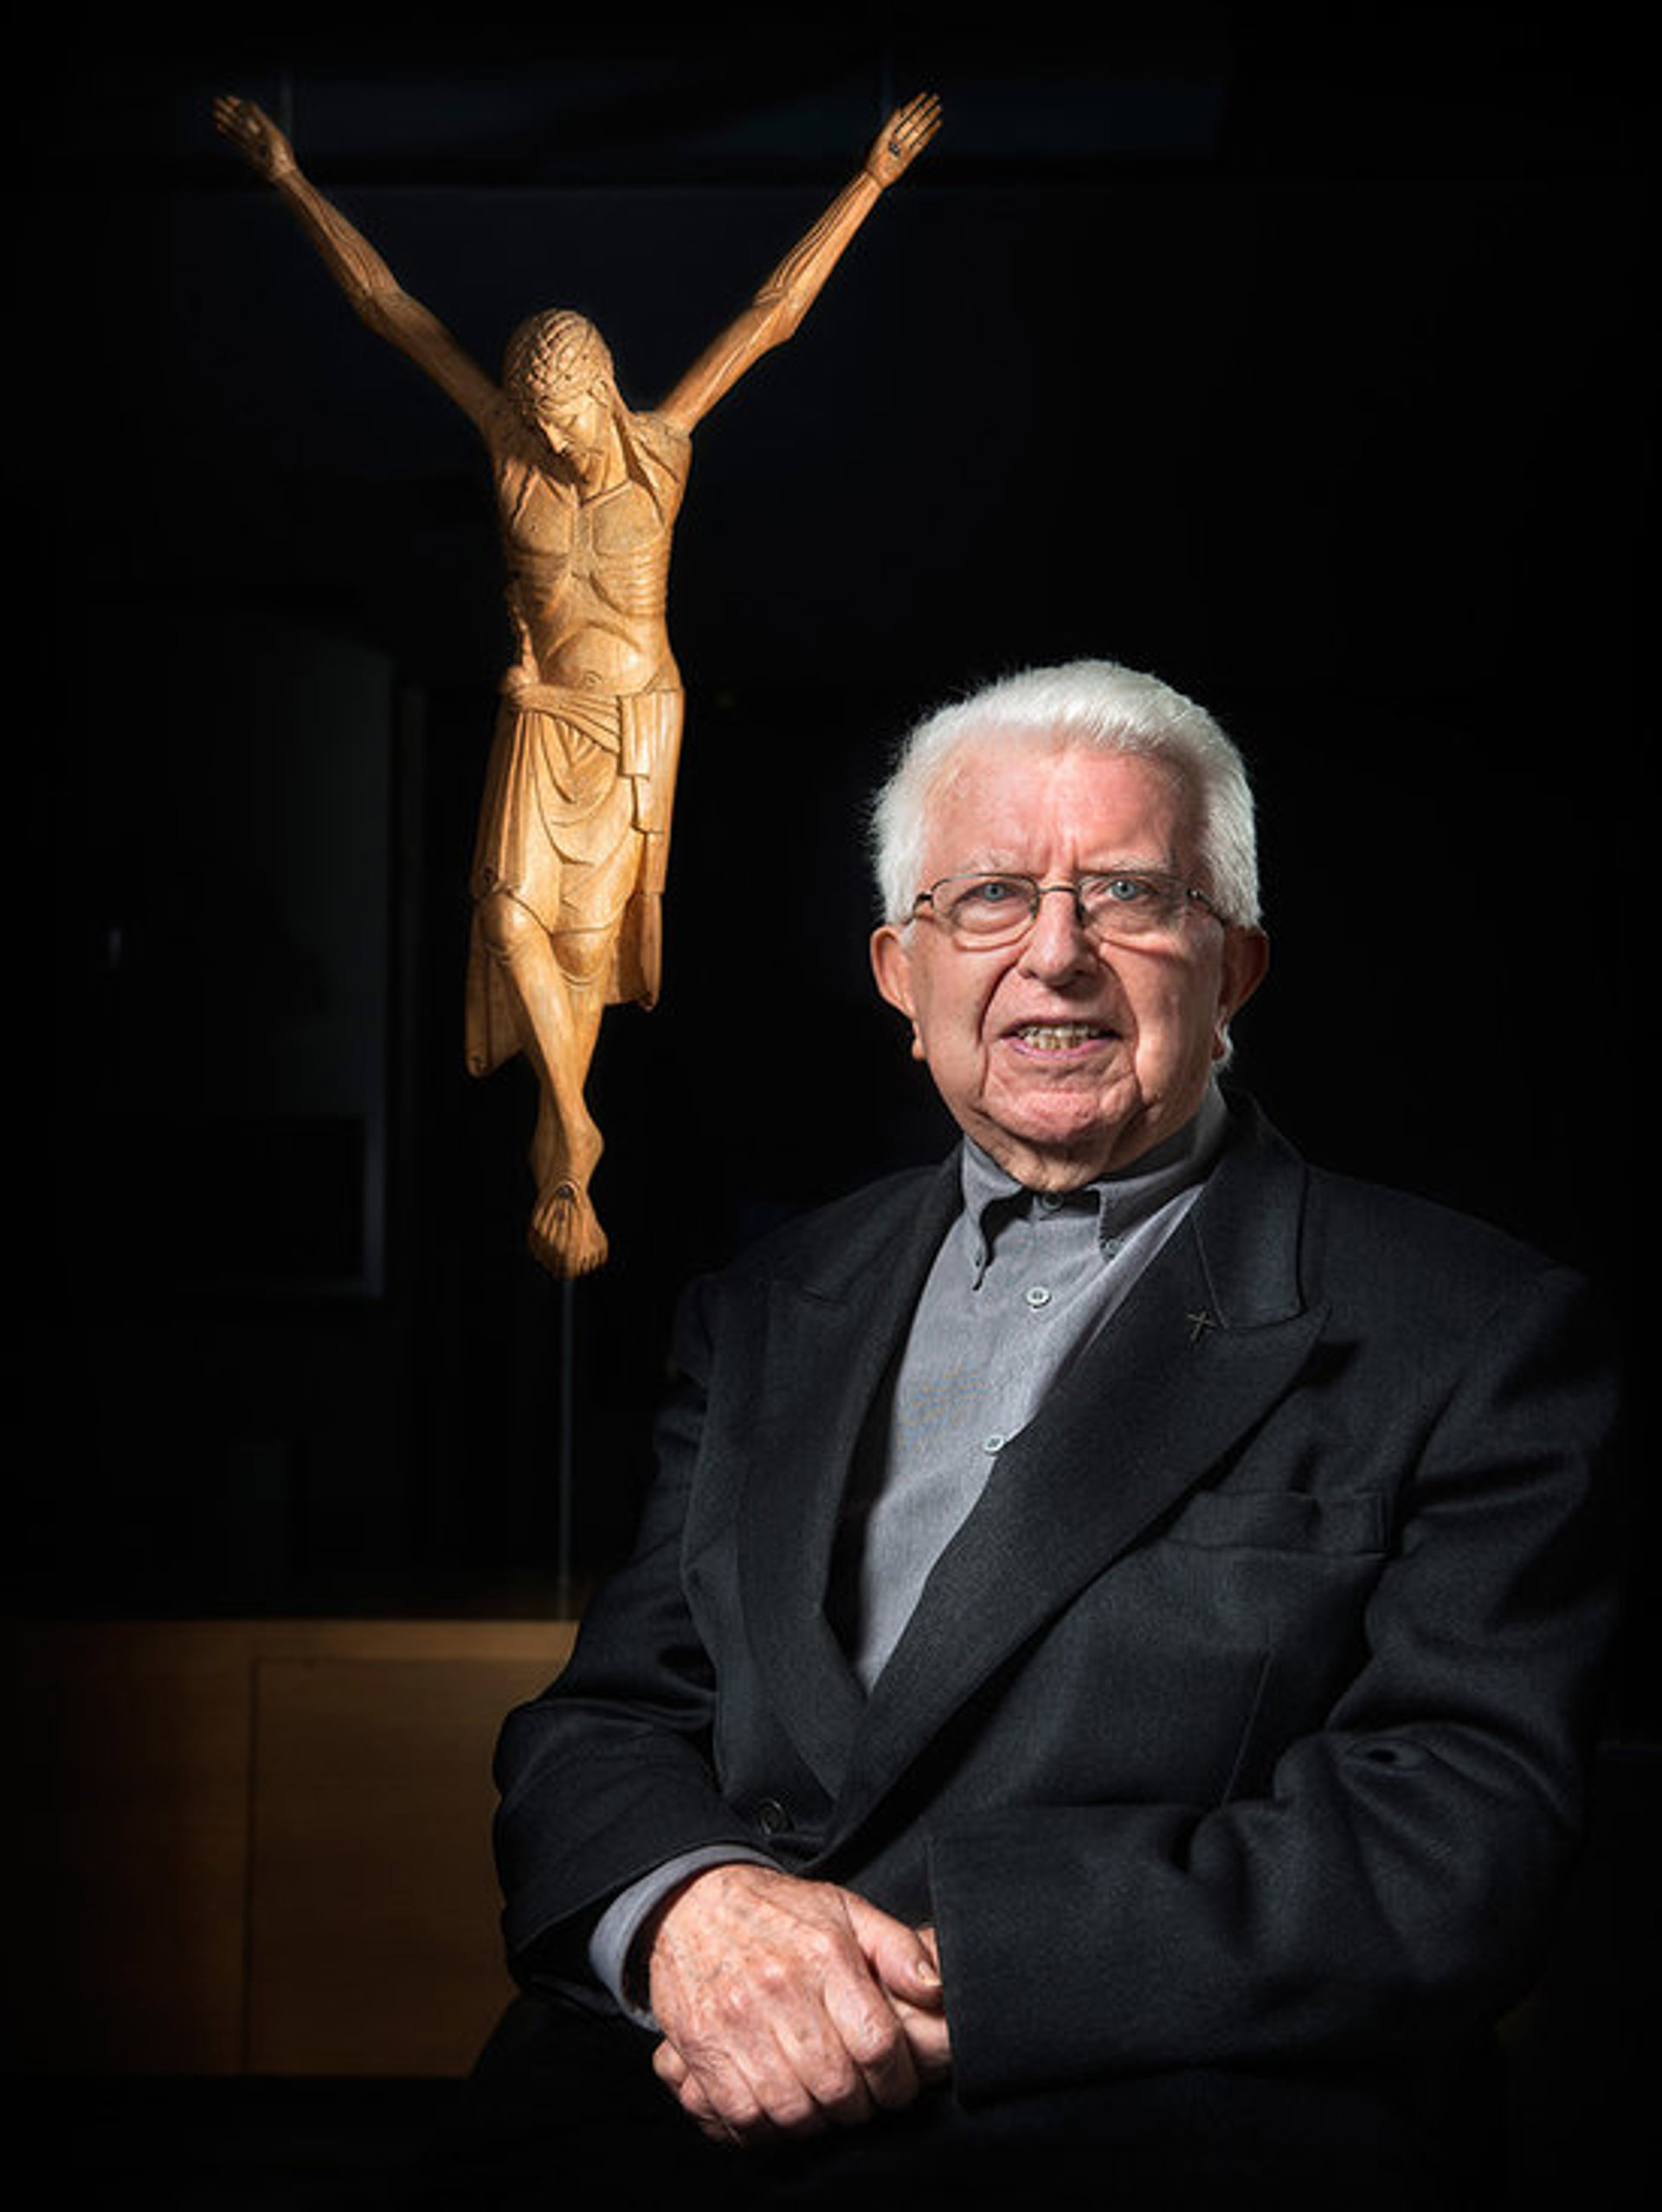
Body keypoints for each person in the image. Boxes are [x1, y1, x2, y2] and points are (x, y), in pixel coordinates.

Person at [435, 659, 1618, 2208]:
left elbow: (1452, 1846)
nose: (1055, 956)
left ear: (1235, 968)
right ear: (899, 972)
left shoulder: (1471, 1331)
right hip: (687, 2095)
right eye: (989, 896)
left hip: (1153, 2123)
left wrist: (938, 1990)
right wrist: (694, 1917)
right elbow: (606, 1723)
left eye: (1129, 894)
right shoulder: (768, 1305)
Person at [212, 89, 940, 1275]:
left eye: (566, 420)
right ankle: (572, 1124)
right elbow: (389, 310)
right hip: (538, 718)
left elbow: (771, 316)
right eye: (538, 424)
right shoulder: (509, 450)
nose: (553, 443)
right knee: (507, 920)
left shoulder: (663, 452)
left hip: (633, 726)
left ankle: (565, 1161)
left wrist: (872, 178)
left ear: (601, 392)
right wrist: (288, 178)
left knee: (586, 954)